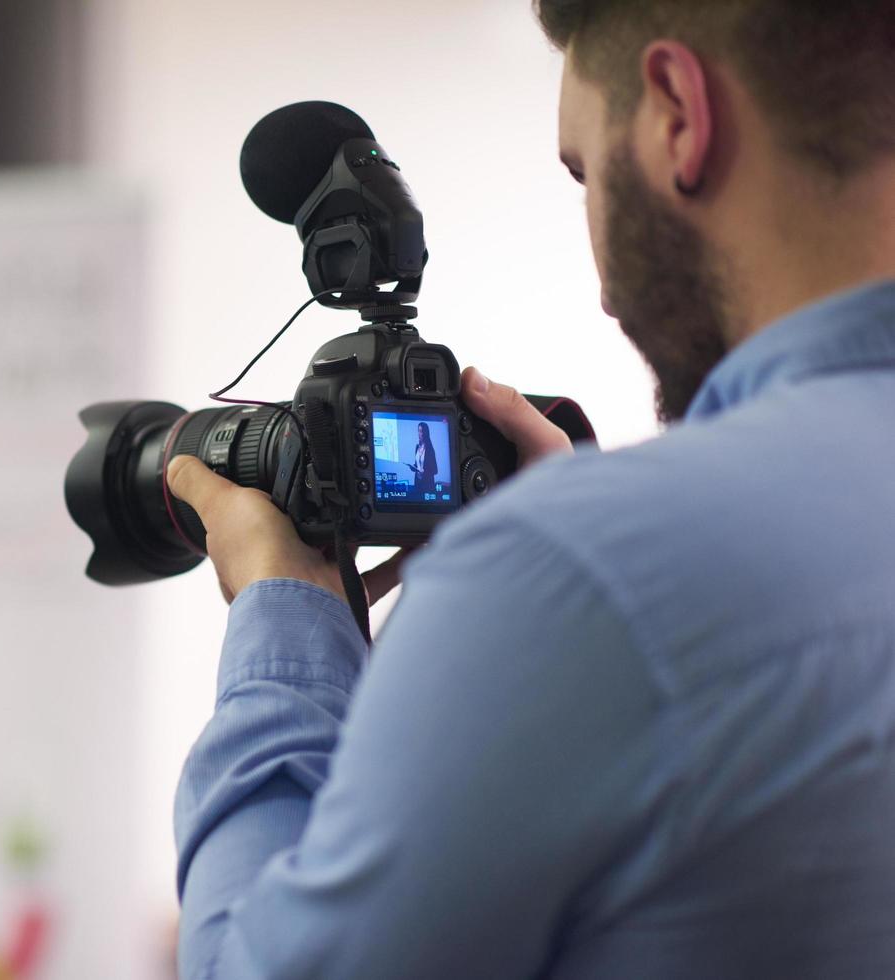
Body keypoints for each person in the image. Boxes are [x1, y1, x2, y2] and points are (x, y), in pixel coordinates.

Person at [163, 1, 895, 977]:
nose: (601, 279)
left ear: (678, 112)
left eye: (583, 173)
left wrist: (281, 613)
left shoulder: (581, 573)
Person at [407, 421, 438, 498]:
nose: (420, 433)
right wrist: (412, 467)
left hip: (427, 484)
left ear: (426, 433)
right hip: (417, 482)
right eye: (419, 431)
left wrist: (425, 471)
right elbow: (417, 465)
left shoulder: (430, 449)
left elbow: (435, 470)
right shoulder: (417, 447)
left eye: (422, 431)